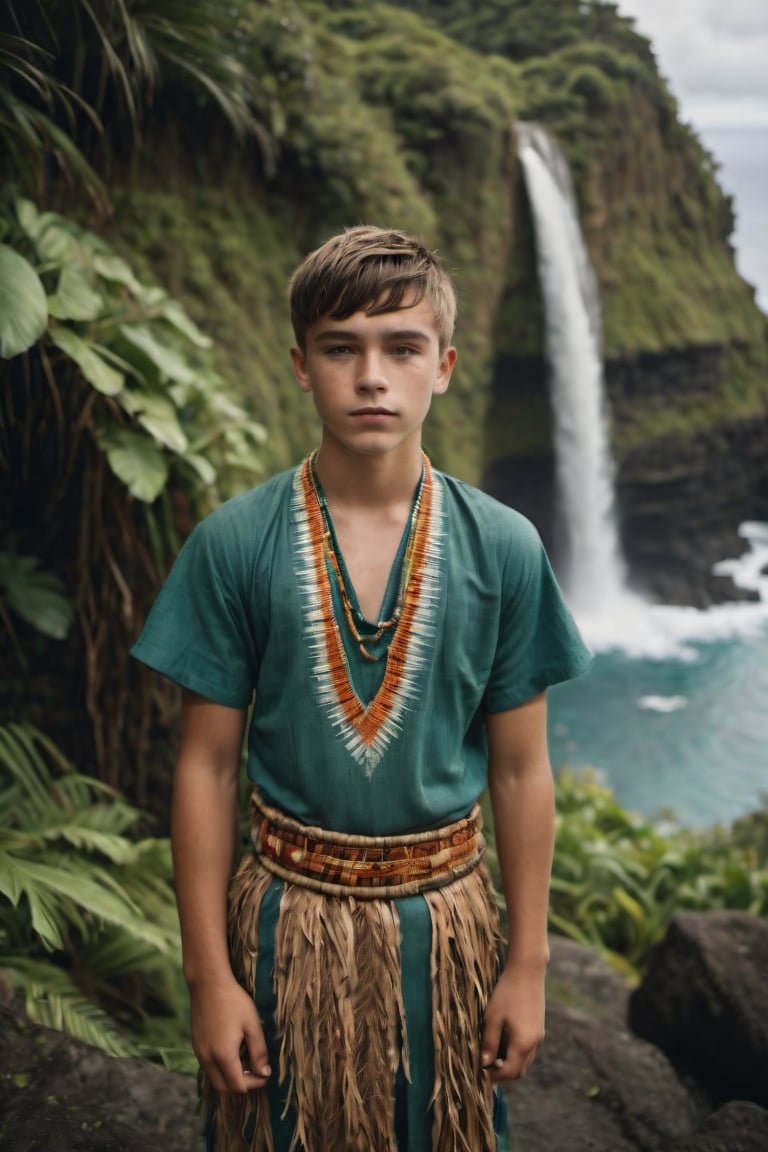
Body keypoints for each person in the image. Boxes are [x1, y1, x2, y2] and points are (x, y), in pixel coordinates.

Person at [131, 225, 592, 1152]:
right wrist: (211, 979)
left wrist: (527, 965)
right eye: (342, 348)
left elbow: (519, 770)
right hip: (280, 927)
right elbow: (208, 768)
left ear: (446, 365)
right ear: (302, 366)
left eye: (402, 348)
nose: (371, 376)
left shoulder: (503, 546)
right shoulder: (234, 543)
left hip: (448, 930)